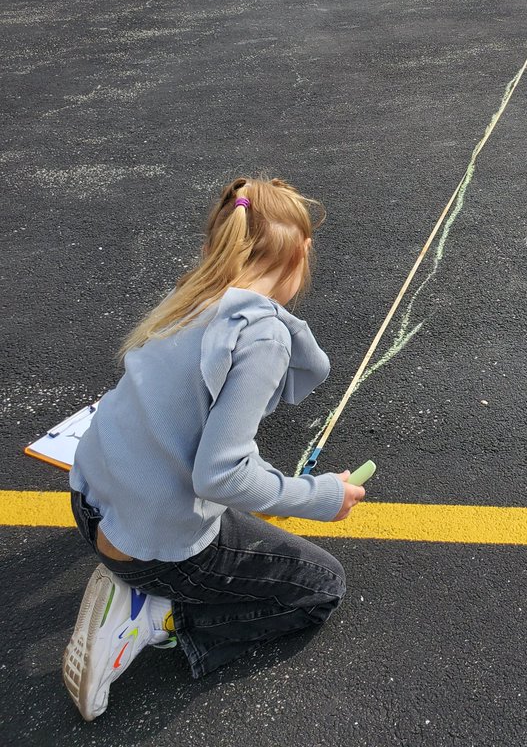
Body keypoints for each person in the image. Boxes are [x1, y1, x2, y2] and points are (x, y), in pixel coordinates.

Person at [62, 176, 366, 722]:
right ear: (300, 257)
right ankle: (155, 617)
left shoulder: (191, 293)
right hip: (150, 550)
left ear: (220, 241)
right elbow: (221, 477)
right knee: (321, 587)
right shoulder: (263, 336)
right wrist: (321, 496)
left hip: (88, 504)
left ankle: (138, 585)